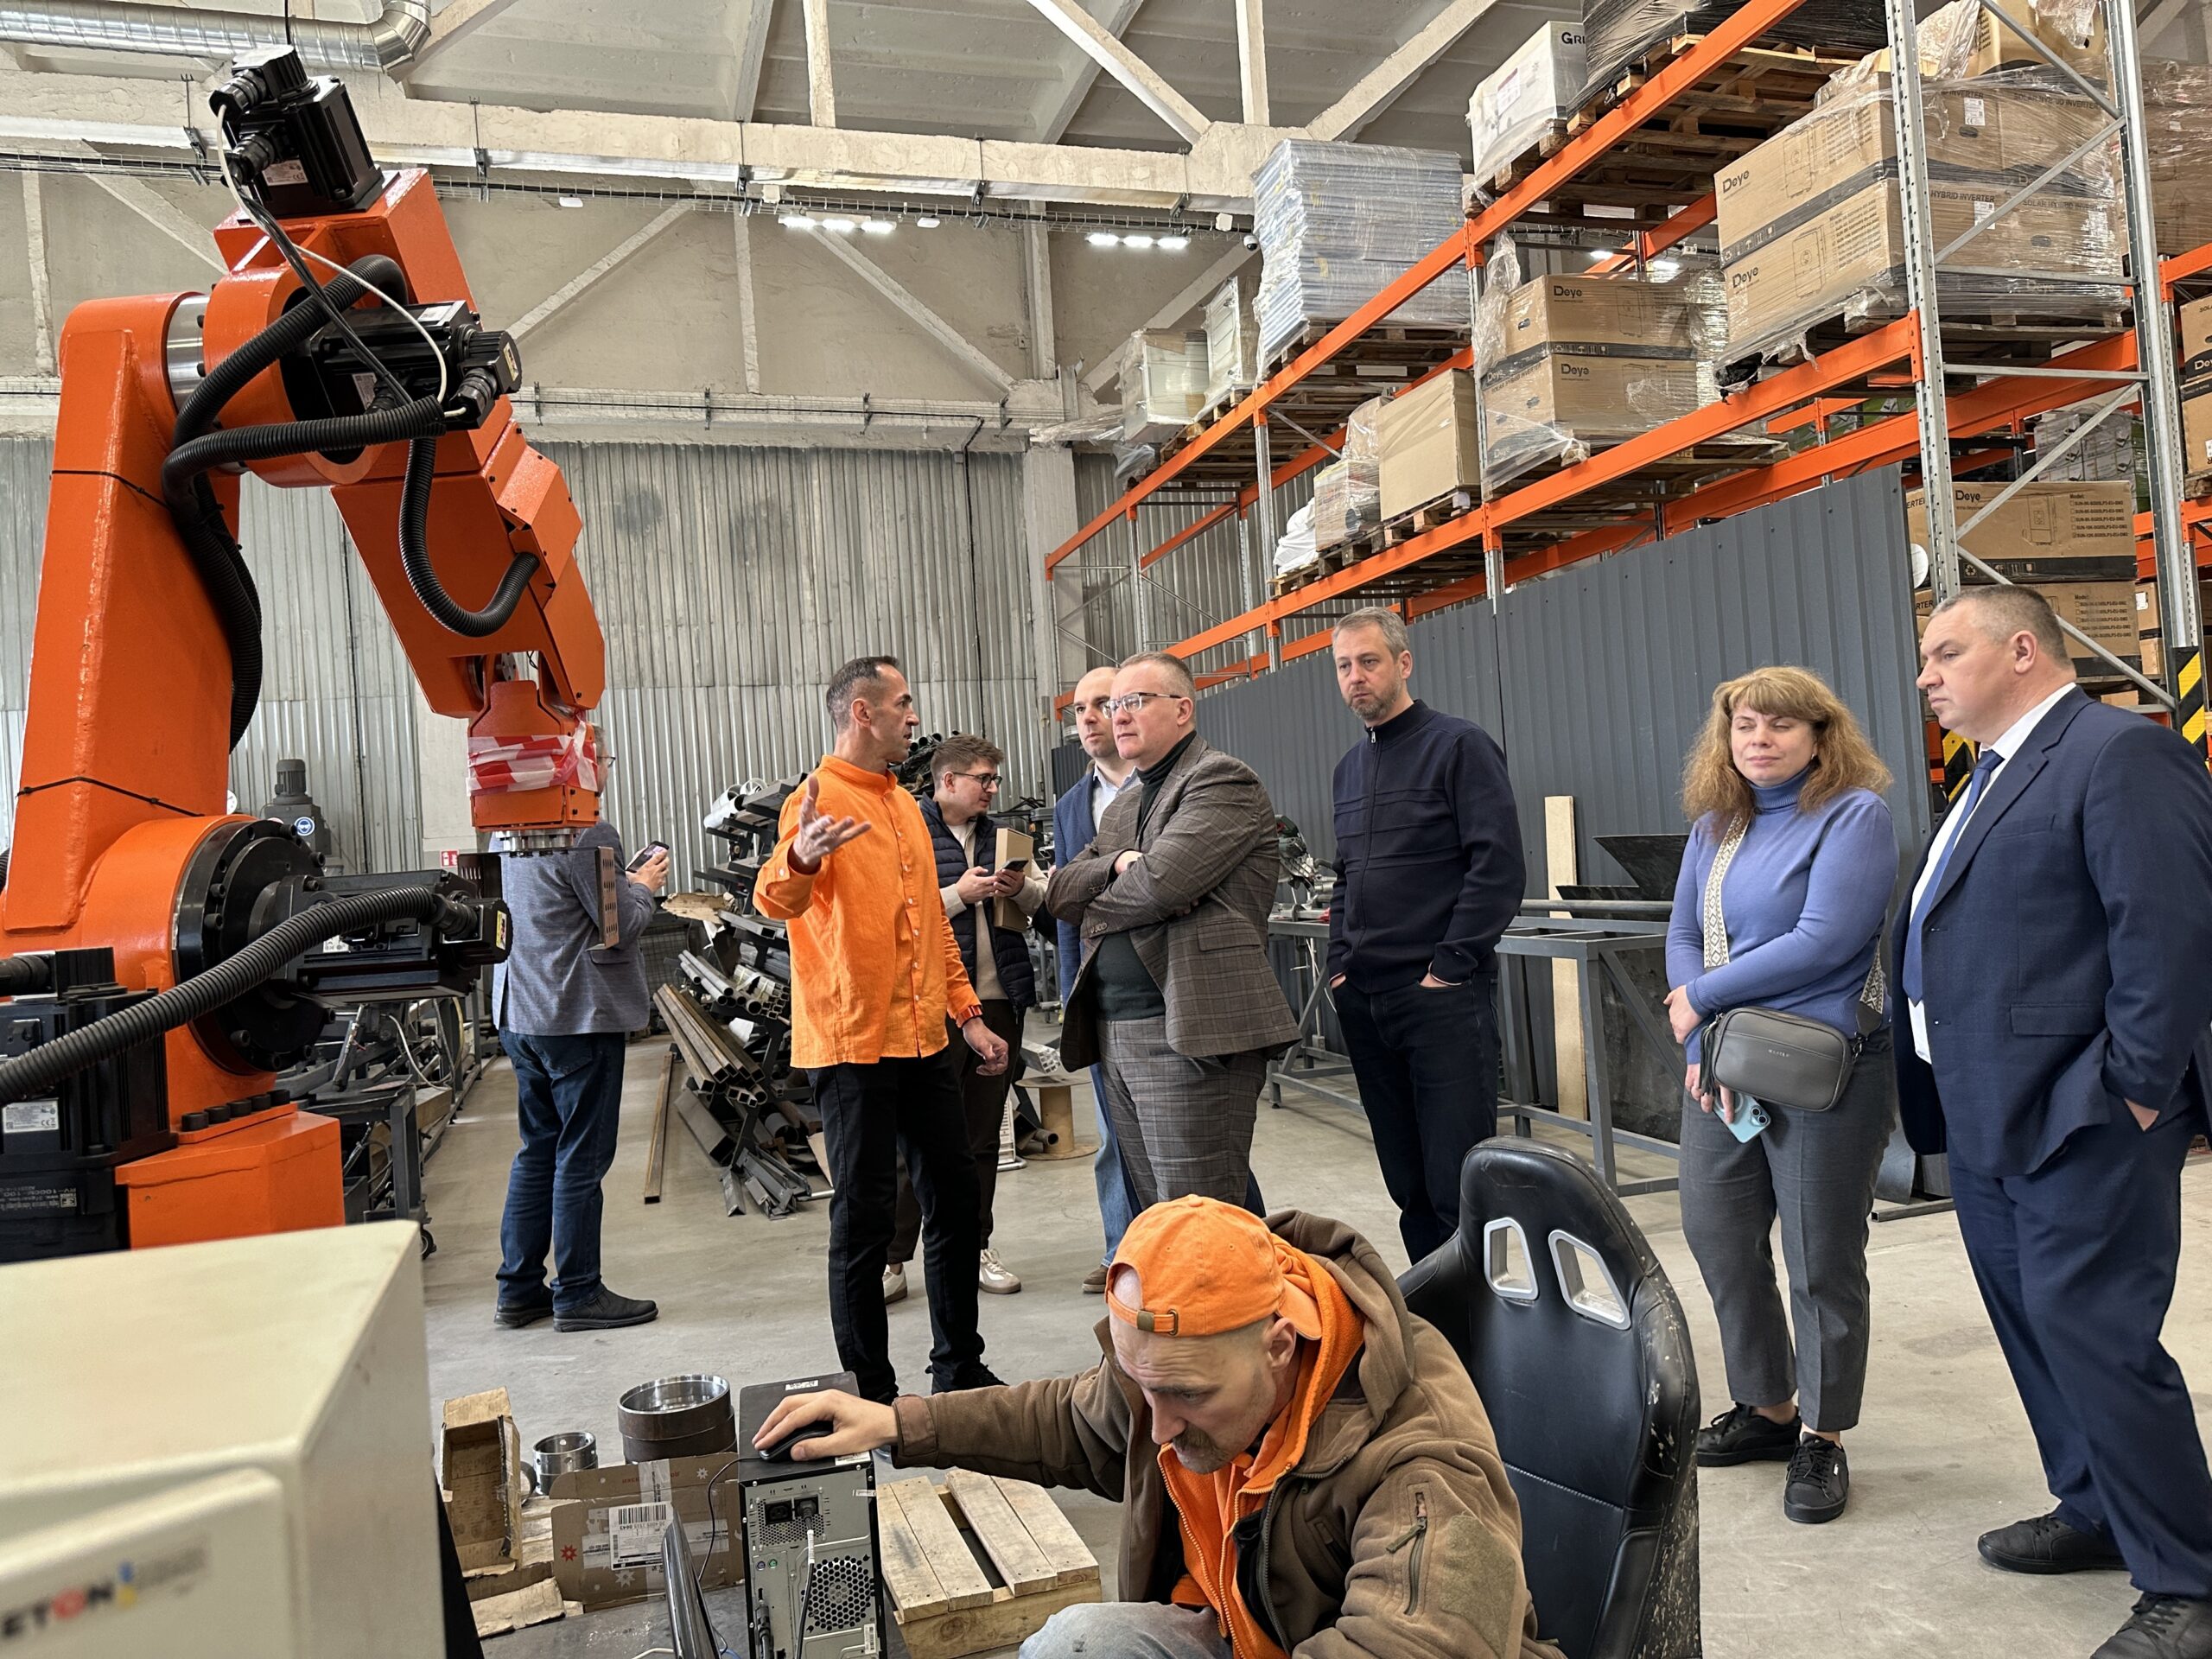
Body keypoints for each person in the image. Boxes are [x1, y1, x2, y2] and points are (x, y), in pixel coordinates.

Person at [753, 1196, 1566, 1659]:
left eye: (1187, 1397)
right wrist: (898, 1422)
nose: (1160, 1428)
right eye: (1144, 1388)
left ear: (1281, 1345)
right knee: (1072, 1646)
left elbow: (1417, 1647)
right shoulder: (1187, 1366)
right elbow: (1071, 1421)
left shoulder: (1423, 1468)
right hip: (1245, 1632)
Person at [1902, 587, 2212, 1659]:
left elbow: (2169, 934)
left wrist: (2131, 1090)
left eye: (1946, 652)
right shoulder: (1990, 772)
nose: (1926, 675)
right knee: (2034, 1327)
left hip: (2082, 1113)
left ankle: (2187, 1580)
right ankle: (2093, 1507)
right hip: (1989, 1107)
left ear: (2022, 649)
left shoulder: (2117, 755)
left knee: (2097, 1335)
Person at [1660, 666, 1899, 1527]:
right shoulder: (1715, 827)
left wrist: (1702, 999)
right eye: (1744, 726)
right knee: (1718, 1233)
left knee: (1820, 1257)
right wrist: (1699, 1037)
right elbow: (1684, 932)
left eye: (1780, 726)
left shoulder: (1852, 816)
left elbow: (1825, 939)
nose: (1758, 740)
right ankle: (1767, 1408)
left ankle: (1823, 1435)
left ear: (1819, 736)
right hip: (1725, 1062)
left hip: (1821, 1068)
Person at [754, 656, 1011, 1404]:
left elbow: (930, 926)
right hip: (854, 1046)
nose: (914, 716)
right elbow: (775, 899)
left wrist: (967, 1014)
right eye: (902, 703)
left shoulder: (902, 804)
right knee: (865, 1221)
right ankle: (871, 1394)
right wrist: (801, 857)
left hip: (925, 1040)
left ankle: (959, 1367)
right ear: (862, 712)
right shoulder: (814, 801)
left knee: (954, 1203)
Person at [1046, 652, 1300, 1208]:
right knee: (1159, 1217)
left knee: (1199, 1215)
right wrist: (1116, 866)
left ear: (1183, 710)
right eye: (1115, 704)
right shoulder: (1126, 805)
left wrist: (1103, 899)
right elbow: (1061, 893)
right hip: (1115, 1030)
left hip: (1186, 1030)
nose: (1118, 715)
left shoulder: (1220, 780)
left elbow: (1160, 885)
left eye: (1135, 701)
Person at [1325, 607, 1522, 1264]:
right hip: (1366, 1000)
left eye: (1369, 661)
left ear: (1403, 663)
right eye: (1345, 666)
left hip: (1439, 1000)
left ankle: (1479, 1318)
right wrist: (1339, 966)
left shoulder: (1459, 747)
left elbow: (1497, 867)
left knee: (1458, 1185)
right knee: (1407, 1184)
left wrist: (1450, 966)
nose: (1356, 677)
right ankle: (1435, 1314)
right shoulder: (1349, 768)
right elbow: (1346, 876)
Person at [882, 734, 1044, 1304]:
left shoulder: (1007, 839)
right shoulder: (906, 832)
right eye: (983, 779)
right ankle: (892, 1258)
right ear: (947, 781)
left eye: (995, 779)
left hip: (998, 1003)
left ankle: (974, 1248)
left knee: (981, 1138)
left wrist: (1023, 889)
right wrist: (958, 894)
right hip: (929, 1005)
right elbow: (894, 915)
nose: (992, 789)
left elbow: (1043, 903)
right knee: (914, 1140)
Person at [493, 810, 668, 1332]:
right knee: (580, 1158)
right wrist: (643, 888)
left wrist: (620, 882)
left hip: (521, 1012)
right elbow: (620, 928)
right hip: (575, 1016)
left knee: (538, 1150)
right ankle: (578, 1292)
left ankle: (518, 1289)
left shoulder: (508, 829)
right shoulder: (587, 833)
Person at [1053, 665, 1139, 1294]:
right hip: (1097, 990)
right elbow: (1063, 904)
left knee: (1179, 1134)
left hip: (1158, 989)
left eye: (1101, 704)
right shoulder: (1070, 806)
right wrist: (1068, 991)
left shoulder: (1166, 786)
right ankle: (1121, 1252)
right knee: (1112, 1134)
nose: (1087, 718)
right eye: (1079, 709)